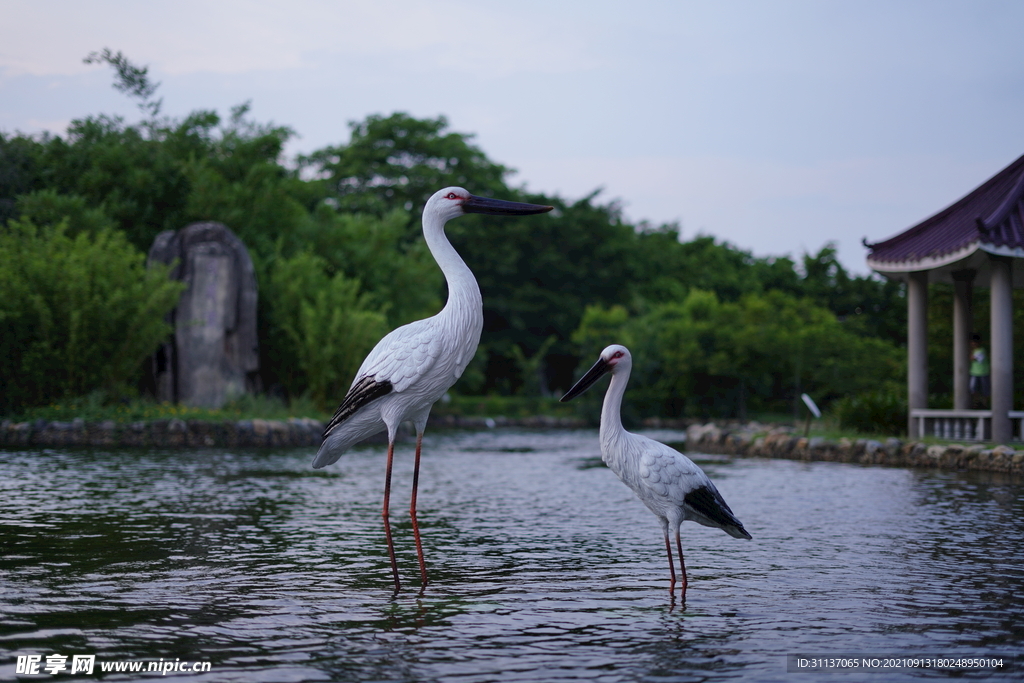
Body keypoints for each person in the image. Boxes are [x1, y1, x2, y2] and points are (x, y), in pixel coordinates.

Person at [970, 333, 990, 409]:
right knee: (973, 388)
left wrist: (971, 352)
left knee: (985, 389)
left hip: (983, 372)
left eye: (974, 342)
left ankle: (984, 403)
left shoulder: (981, 350)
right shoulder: (974, 351)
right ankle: (977, 402)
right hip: (974, 372)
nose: (973, 344)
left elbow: (973, 358)